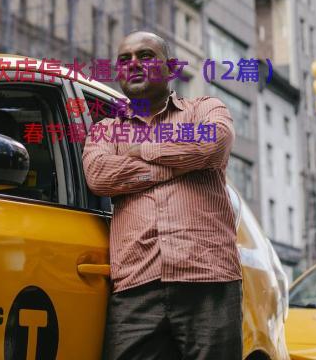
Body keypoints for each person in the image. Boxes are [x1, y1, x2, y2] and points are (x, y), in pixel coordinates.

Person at [82, 31, 243, 360]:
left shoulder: (204, 109)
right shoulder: (105, 130)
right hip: (136, 288)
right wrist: (176, 165)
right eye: (125, 59)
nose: (134, 64)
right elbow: (99, 174)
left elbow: (213, 144)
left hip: (207, 279)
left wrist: (141, 149)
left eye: (145, 56)